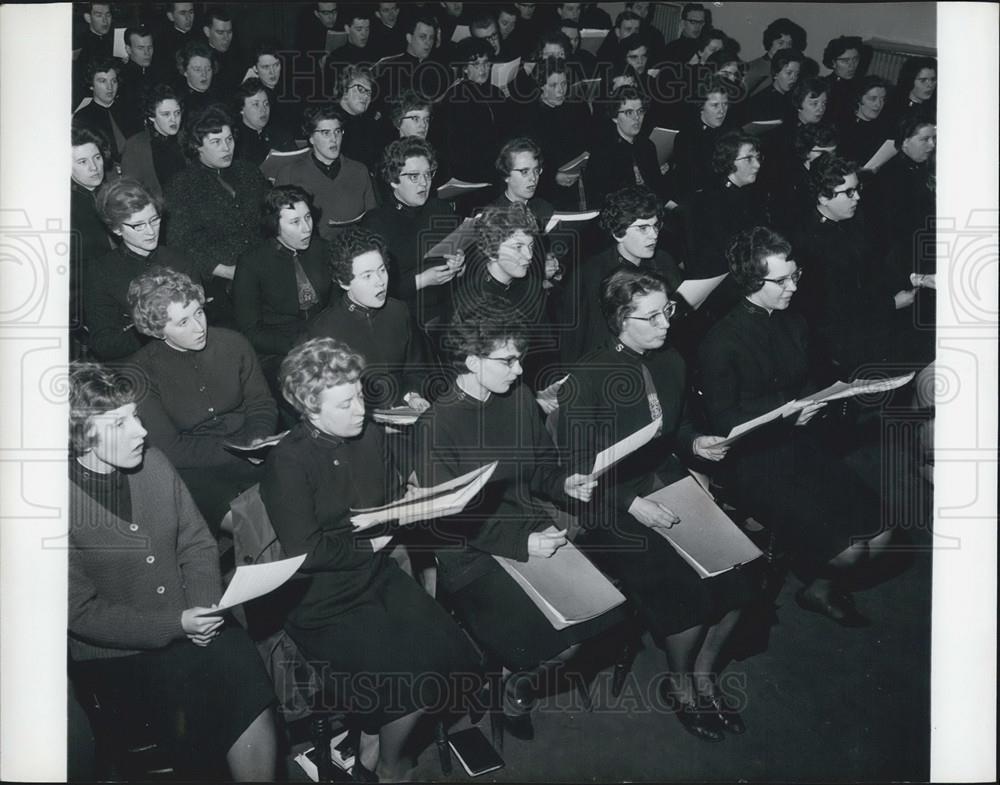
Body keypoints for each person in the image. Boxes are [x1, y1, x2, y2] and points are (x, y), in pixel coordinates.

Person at [260, 338, 481, 780]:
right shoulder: (287, 463)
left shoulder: (369, 432)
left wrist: (417, 501)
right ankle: (389, 765)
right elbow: (307, 553)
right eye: (345, 403)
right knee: (411, 685)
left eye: (359, 394)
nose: (360, 409)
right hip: (323, 599)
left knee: (455, 654)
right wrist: (372, 544)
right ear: (309, 407)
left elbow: (388, 499)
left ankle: (374, 737)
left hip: (377, 576)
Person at [557, 267, 758, 742]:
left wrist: (697, 446)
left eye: (666, 310)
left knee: (744, 572)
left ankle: (704, 673)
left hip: (664, 480)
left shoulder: (671, 361)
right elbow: (573, 468)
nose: (666, 323)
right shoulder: (586, 380)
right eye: (651, 317)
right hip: (606, 500)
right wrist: (631, 503)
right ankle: (679, 683)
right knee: (686, 596)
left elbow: (680, 425)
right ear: (620, 321)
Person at [412, 306, 619, 740]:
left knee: (592, 622)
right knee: (557, 636)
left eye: (519, 358)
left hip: (529, 525)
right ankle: (517, 680)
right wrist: (522, 543)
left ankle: (517, 683)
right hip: (471, 555)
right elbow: (451, 521)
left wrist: (565, 483)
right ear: (471, 361)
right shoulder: (435, 427)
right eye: (507, 360)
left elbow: (542, 464)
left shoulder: (520, 396)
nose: (520, 368)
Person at [67, 362, 278, 780]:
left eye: (136, 416)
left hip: (192, 620)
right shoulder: (51, 501)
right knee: (203, 694)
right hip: (120, 658)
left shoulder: (155, 464)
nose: (141, 432)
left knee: (243, 669)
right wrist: (178, 624)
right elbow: (79, 612)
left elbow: (197, 543)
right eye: (120, 423)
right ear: (79, 434)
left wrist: (200, 611)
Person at [697, 226, 897, 626]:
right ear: (753, 282)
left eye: (796, 275)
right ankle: (818, 584)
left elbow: (806, 381)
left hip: (800, 444)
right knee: (851, 552)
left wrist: (833, 396)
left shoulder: (793, 321)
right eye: (782, 280)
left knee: (884, 535)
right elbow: (725, 421)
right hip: (754, 461)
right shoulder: (721, 341)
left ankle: (818, 588)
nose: (793, 286)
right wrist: (789, 412)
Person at [127, 267, 277, 534]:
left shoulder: (234, 343)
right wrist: (238, 452)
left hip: (252, 444)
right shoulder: (141, 372)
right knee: (256, 528)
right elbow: (170, 447)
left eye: (199, 312)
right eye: (183, 322)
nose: (199, 327)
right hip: (196, 468)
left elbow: (261, 404)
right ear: (158, 330)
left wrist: (257, 439)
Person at [792, 154, 935, 389]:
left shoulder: (854, 219)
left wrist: (916, 278)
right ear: (823, 197)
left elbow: (876, 267)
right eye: (848, 192)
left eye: (857, 189)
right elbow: (832, 310)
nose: (857, 197)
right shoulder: (808, 244)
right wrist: (891, 304)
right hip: (844, 339)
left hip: (872, 317)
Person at [163, 103, 269, 327]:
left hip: (260, 267)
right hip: (219, 278)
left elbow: (269, 219)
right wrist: (229, 272)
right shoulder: (182, 185)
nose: (226, 148)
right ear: (196, 146)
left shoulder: (248, 172)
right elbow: (180, 242)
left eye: (229, 140)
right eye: (216, 142)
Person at [306, 228, 430, 412]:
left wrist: (413, 395)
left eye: (382, 270)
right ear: (343, 282)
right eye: (367, 276)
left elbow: (416, 369)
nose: (380, 281)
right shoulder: (324, 331)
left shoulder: (398, 311)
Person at [561, 186, 682, 364]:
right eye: (643, 228)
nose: (654, 235)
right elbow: (582, 340)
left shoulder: (664, 261)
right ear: (618, 233)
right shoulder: (591, 274)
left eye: (655, 226)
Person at [233, 185, 333, 396]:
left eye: (308, 217)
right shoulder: (252, 263)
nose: (306, 228)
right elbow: (250, 331)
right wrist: (297, 345)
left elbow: (335, 303)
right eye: (295, 222)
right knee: (313, 388)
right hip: (278, 348)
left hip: (323, 335)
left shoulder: (322, 249)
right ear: (274, 226)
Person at [84, 178, 197, 360]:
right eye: (138, 225)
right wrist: (152, 329)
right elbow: (103, 343)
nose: (151, 232)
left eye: (154, 220)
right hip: (141, 360)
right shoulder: (102, 272)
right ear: (116, 229)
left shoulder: (180, 261)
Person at [362, 137, 462, 331]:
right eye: (414, 176)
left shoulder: (441, 209)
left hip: (449, 311)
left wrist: (460, 262)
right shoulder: (375, 223)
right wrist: (423, 279)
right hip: (403, 316)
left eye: (428, 174)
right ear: (393, 180)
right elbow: (376, 288)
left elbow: (458, 258)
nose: (424, 183)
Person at [271, 104, 377, 242]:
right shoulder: (289, 173)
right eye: (326, 133)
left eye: (337, 131)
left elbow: (373, 218)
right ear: (311, 138)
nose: (334, 139)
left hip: (353, 246)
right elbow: (277, 227)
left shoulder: (359, 171)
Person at [513, 57, 590, 210]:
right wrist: (553, 176)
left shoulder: (575, 108)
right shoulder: (528, 116)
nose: (561, 90)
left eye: (564, 83)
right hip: (544, 189)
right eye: (554, 85)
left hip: (575, 181)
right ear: (541, 86)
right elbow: (529, 159)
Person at [435, 37, 513, 186]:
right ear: (464, 68)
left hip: (499, 166)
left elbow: (507, 130)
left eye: (486, 63)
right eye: (476, 64)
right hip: (471, 173)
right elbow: (457, 145)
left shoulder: (496, 93)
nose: (483, 69)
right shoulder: (456, 96)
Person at [71, 125, 116, 352]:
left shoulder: (109, 191)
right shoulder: (66, 208)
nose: (94, 167)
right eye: (82, 162)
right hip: (87, 301)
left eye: (97, 157)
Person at [584, 85, 667, 207]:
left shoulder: (647, 146)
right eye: (629, 112)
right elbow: (602, 200)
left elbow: (658, 189)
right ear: (614, 117)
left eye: (640, 111)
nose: (637, 118)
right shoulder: (602, 152)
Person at [120, 84, 187, 200]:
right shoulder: (136, 145)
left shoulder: (185, 138)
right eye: (166, 114)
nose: (173, 119)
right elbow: (130, 190)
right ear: (152, 116)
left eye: (177, 113)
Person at [671, 77, 732, 196]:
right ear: (701, 106)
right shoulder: (687, 137)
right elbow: (694, 182)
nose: (722, 111)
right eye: (715, 105)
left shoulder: (731, 131)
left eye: (725, 104)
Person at [74, 57, 128, 163]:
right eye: (102, 81)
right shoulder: (82, 118)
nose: (110, 87)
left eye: (114, 81)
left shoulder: (129, 110)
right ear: (91, 86)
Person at [232, 78, 296, 166]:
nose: (263, 110)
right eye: (256, 104)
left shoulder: (281, 134)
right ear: (241, 109)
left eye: (266, 104)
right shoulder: (235, 140)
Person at [332, 65, 383, 170]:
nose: (366, 96)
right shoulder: (328, 121)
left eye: (369, 92)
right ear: (345, 89)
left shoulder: (371, 124)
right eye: (360, 89)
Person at [836, 75, 893, 166]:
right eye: (873, 98)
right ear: (859, 99)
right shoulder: (842, 127)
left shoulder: (885, 127)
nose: (878, 104)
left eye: (882, 99)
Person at [743, 17, 807, 97]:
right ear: (770, 43)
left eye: (789, 44)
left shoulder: (795, 68)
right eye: (780, 43)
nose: (785, 48)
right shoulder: (752, 68)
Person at [116, 26, 159, 137]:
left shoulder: (157, 73)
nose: (147, 53)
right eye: (140, 48)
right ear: (128, 49)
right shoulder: (121, 79)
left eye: (150, 47)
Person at [745, 48, 803, 122]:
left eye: (797, 74)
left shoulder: (796, 97)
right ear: (776, 73)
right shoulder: (759, 102)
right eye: (789, 73)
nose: (794, 78)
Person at [821, 35, 865, 126]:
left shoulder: (862, 84)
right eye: (845, 61)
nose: (852, 65)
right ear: (833, 63)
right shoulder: (825, 86)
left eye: (855, 59)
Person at [884, 56, 937, 126]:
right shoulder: (893, 110)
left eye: (933, 80)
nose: (930, 85)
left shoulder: (934, 108)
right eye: (923, 80)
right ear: (909, 81)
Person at [173, 40, 222, 115]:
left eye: (208, 69)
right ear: (185, 71)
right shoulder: (179, 103)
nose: (204, 74)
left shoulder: (220, 97)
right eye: (197, 69)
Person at [202, 6, 241, 94]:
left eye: (229, 32)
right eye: (220, 32)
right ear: (207, 32)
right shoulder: (200, 58)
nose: (226, 38)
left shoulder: (238, 55)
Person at [155, 3, 197, 79]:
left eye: (191, 12)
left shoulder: (201, 37)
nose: (188, 18)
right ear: (171, 16)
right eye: (183, 13)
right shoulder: (162, 43)